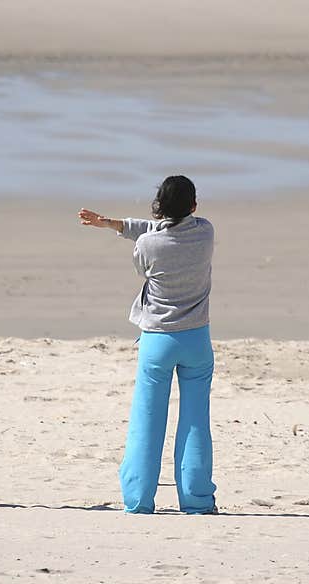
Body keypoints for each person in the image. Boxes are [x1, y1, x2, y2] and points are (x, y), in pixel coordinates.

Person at [79, 175, 218, 514]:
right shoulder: (206, 232)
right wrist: (112, 224)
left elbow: (148, 243)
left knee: (148, 419)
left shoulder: (147, 245)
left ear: (158, 207)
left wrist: (116, 226)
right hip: (197, 338)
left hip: (158, 340)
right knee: (196, 420)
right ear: (194, 206)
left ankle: (139, 500)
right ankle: (197, 500)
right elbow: (160, 228)